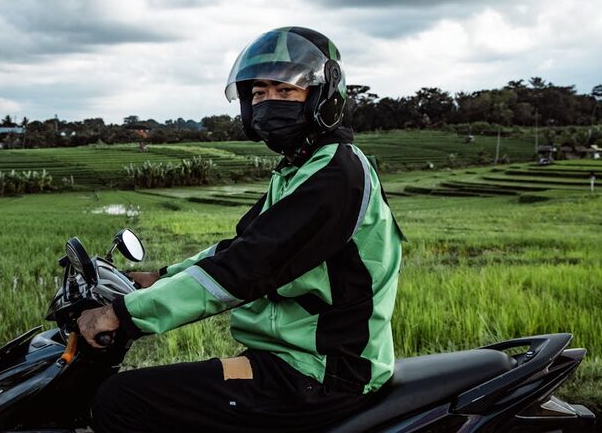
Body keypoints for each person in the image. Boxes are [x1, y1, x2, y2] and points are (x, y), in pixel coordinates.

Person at [78, 26, 405, 432]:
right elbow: (238, 247)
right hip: (288, 361)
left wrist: (121, 315)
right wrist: (159, 277)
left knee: (121, 399)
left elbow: (249, 267)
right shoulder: (300, 169)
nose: (269, 102)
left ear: (323, 96)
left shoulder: (337, 174)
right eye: (259, 93)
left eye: (284, 91)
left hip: (323, 374)